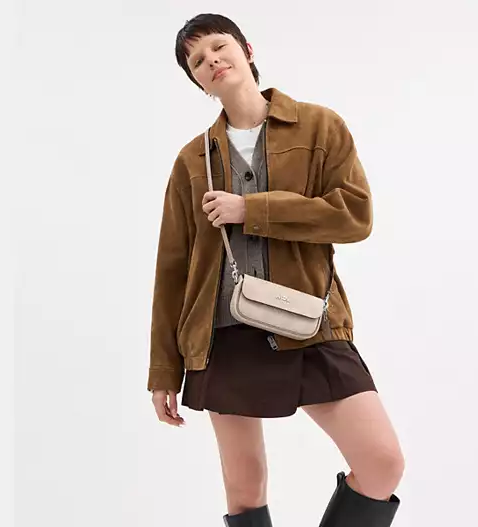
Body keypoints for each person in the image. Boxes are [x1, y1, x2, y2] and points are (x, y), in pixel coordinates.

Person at [147, 13, 405, 527]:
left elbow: (354, 216)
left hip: (309, 322)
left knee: (382, 463)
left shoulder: (319, 127)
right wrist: (163, 372)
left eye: (219, 46)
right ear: (198, 82)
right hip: (221, 335)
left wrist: (252, 209)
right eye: (197, 61)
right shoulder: (192, 160)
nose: (211, 60)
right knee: (245, 488)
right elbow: (173, 268)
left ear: (246, 49)